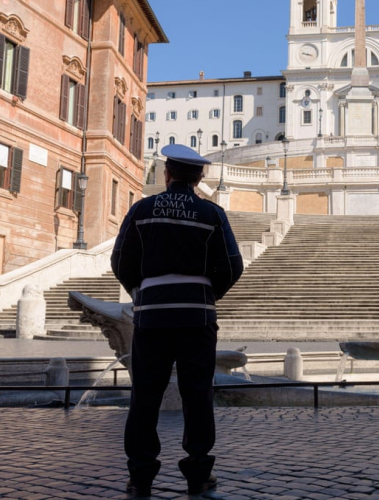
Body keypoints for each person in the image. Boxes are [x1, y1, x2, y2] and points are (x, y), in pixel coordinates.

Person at [112, 144, 244, 498]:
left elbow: (121, 260)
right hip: (197, 317)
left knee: (145, 397)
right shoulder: (212, 213)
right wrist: (205, 293)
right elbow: (233, 266)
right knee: (198, 396)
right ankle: (199, 475)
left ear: (167, 174)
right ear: (199, 177)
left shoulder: (141, 209)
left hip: (152, 317)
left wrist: (142, 291)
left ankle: (140, 476)